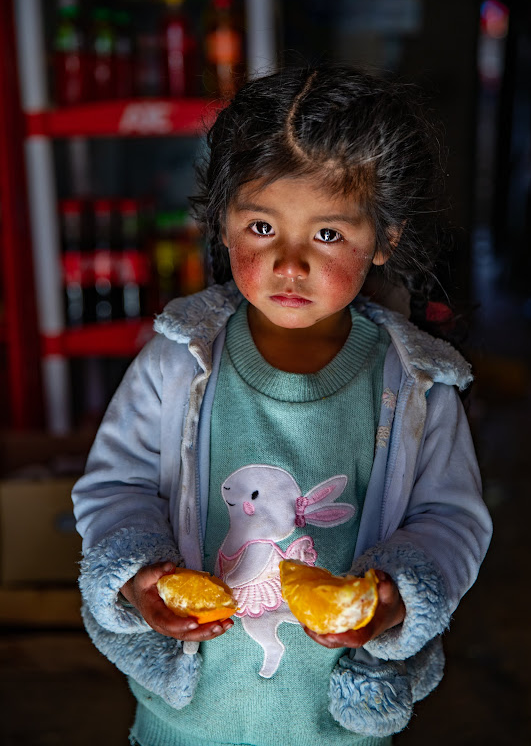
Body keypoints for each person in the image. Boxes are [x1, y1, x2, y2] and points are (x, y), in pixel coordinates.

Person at [72, 65, 492, 746]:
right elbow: (117, 484)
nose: (288, 264)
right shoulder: (176, 362)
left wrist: (397, 596)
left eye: (326, 235)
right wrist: (138, 573)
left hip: (335, 725)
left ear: (382, 239)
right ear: (223, 225)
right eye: (262, 226)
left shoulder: (414, 385)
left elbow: (449, 519)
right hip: (186, 719)